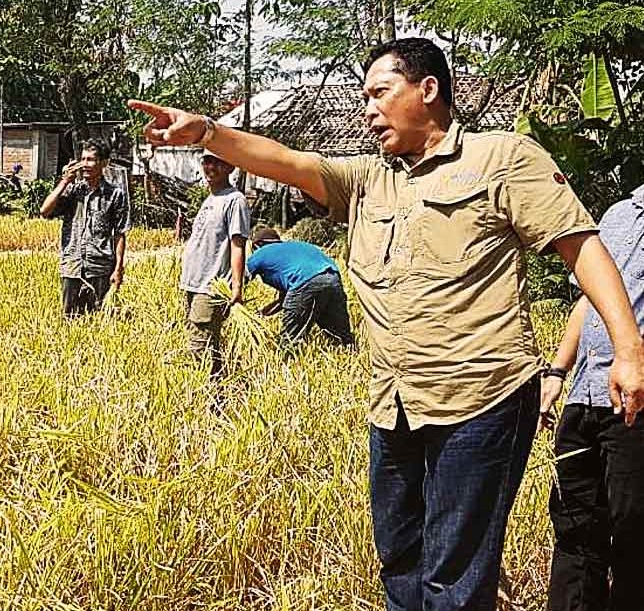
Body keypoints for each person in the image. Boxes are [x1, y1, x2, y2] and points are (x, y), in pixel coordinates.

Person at [128, 37, 644, 611]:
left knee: (454, 576)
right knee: (399, 559)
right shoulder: (370, 178)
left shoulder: (502, 159)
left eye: (380, 93)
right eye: (365, 97)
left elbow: (582, 247)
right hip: (395, 402)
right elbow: (290, 162)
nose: (368, 109)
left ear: (428, 90)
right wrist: (207, 132)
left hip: (481, 398)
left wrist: (628, 350)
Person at [540, 183, 644, 611]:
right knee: (574, 528)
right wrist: (557, 372)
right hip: (585, 395)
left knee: (634, 532)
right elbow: (589, 300)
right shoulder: (620, 213)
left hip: (636, 402)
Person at [180, 153, 250, 380]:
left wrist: (237, 288)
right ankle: (220, 390)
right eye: (207, 161)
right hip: (194, 284)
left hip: (211, 287)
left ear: (231, 166)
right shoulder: (210, 199)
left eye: (217, 162)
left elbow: (238, 245)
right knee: (210, 347)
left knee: (198, 351)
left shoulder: (235, 200)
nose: (210, 167)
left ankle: (200, 395)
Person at [40, 139, 128, 318]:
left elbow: (120, 234)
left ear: (104, 163)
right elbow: (44, 210)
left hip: (100, 268)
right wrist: (65, 181)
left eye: (90, 160)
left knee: (99, 319)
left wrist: (118, 269)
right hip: (72, 267)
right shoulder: (73, 191)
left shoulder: (115, 195)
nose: (85, 164)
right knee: (70, 319)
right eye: (83, 159)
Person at [247, 227, 353, 345]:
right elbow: (285, 300)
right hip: (333, 278)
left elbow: (240, 280)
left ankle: (288, 354)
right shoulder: (294, 250)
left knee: (290, 340)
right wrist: (262, 313)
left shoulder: (261, 253)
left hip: (306, 281)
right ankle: (349, 349)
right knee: (340, 338)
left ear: (258, 244)